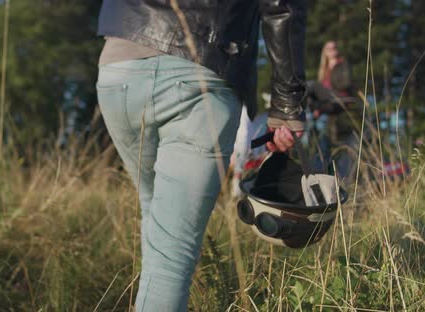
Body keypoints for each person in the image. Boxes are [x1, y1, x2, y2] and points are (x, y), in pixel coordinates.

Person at [96, 1, 308, 311]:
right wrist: (287, 105)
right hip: (203, 72)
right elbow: (281, 5)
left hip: (121, 67)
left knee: (156, 217)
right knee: (171, 258)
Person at [311, 40, 361, 182]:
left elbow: (345, 85)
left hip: (345, 115)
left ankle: (346, 186)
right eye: (329, 47)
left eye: (334, 47)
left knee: (347, 154)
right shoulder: (323, 72)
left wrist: (326, 96)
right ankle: (322, 184)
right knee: (322, 153)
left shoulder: (343, 65)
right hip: (328, 119)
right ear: (325, 52)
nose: (332, 49)